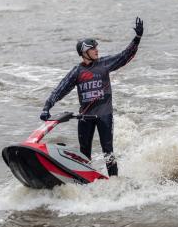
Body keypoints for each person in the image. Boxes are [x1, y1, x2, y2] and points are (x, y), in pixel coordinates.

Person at [40, 17, 144, 176]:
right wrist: (47, 107)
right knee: (84, 154)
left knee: (108, 152)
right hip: (85, 117)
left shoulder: (104, 63)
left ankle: (114, 182)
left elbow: (124, 56)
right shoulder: (77, 72)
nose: (97, 50)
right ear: (84, 52)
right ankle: (84, 179)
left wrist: (137, 39)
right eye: (93, 48)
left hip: (105, 116)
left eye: (97, 48)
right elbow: (60, 89)